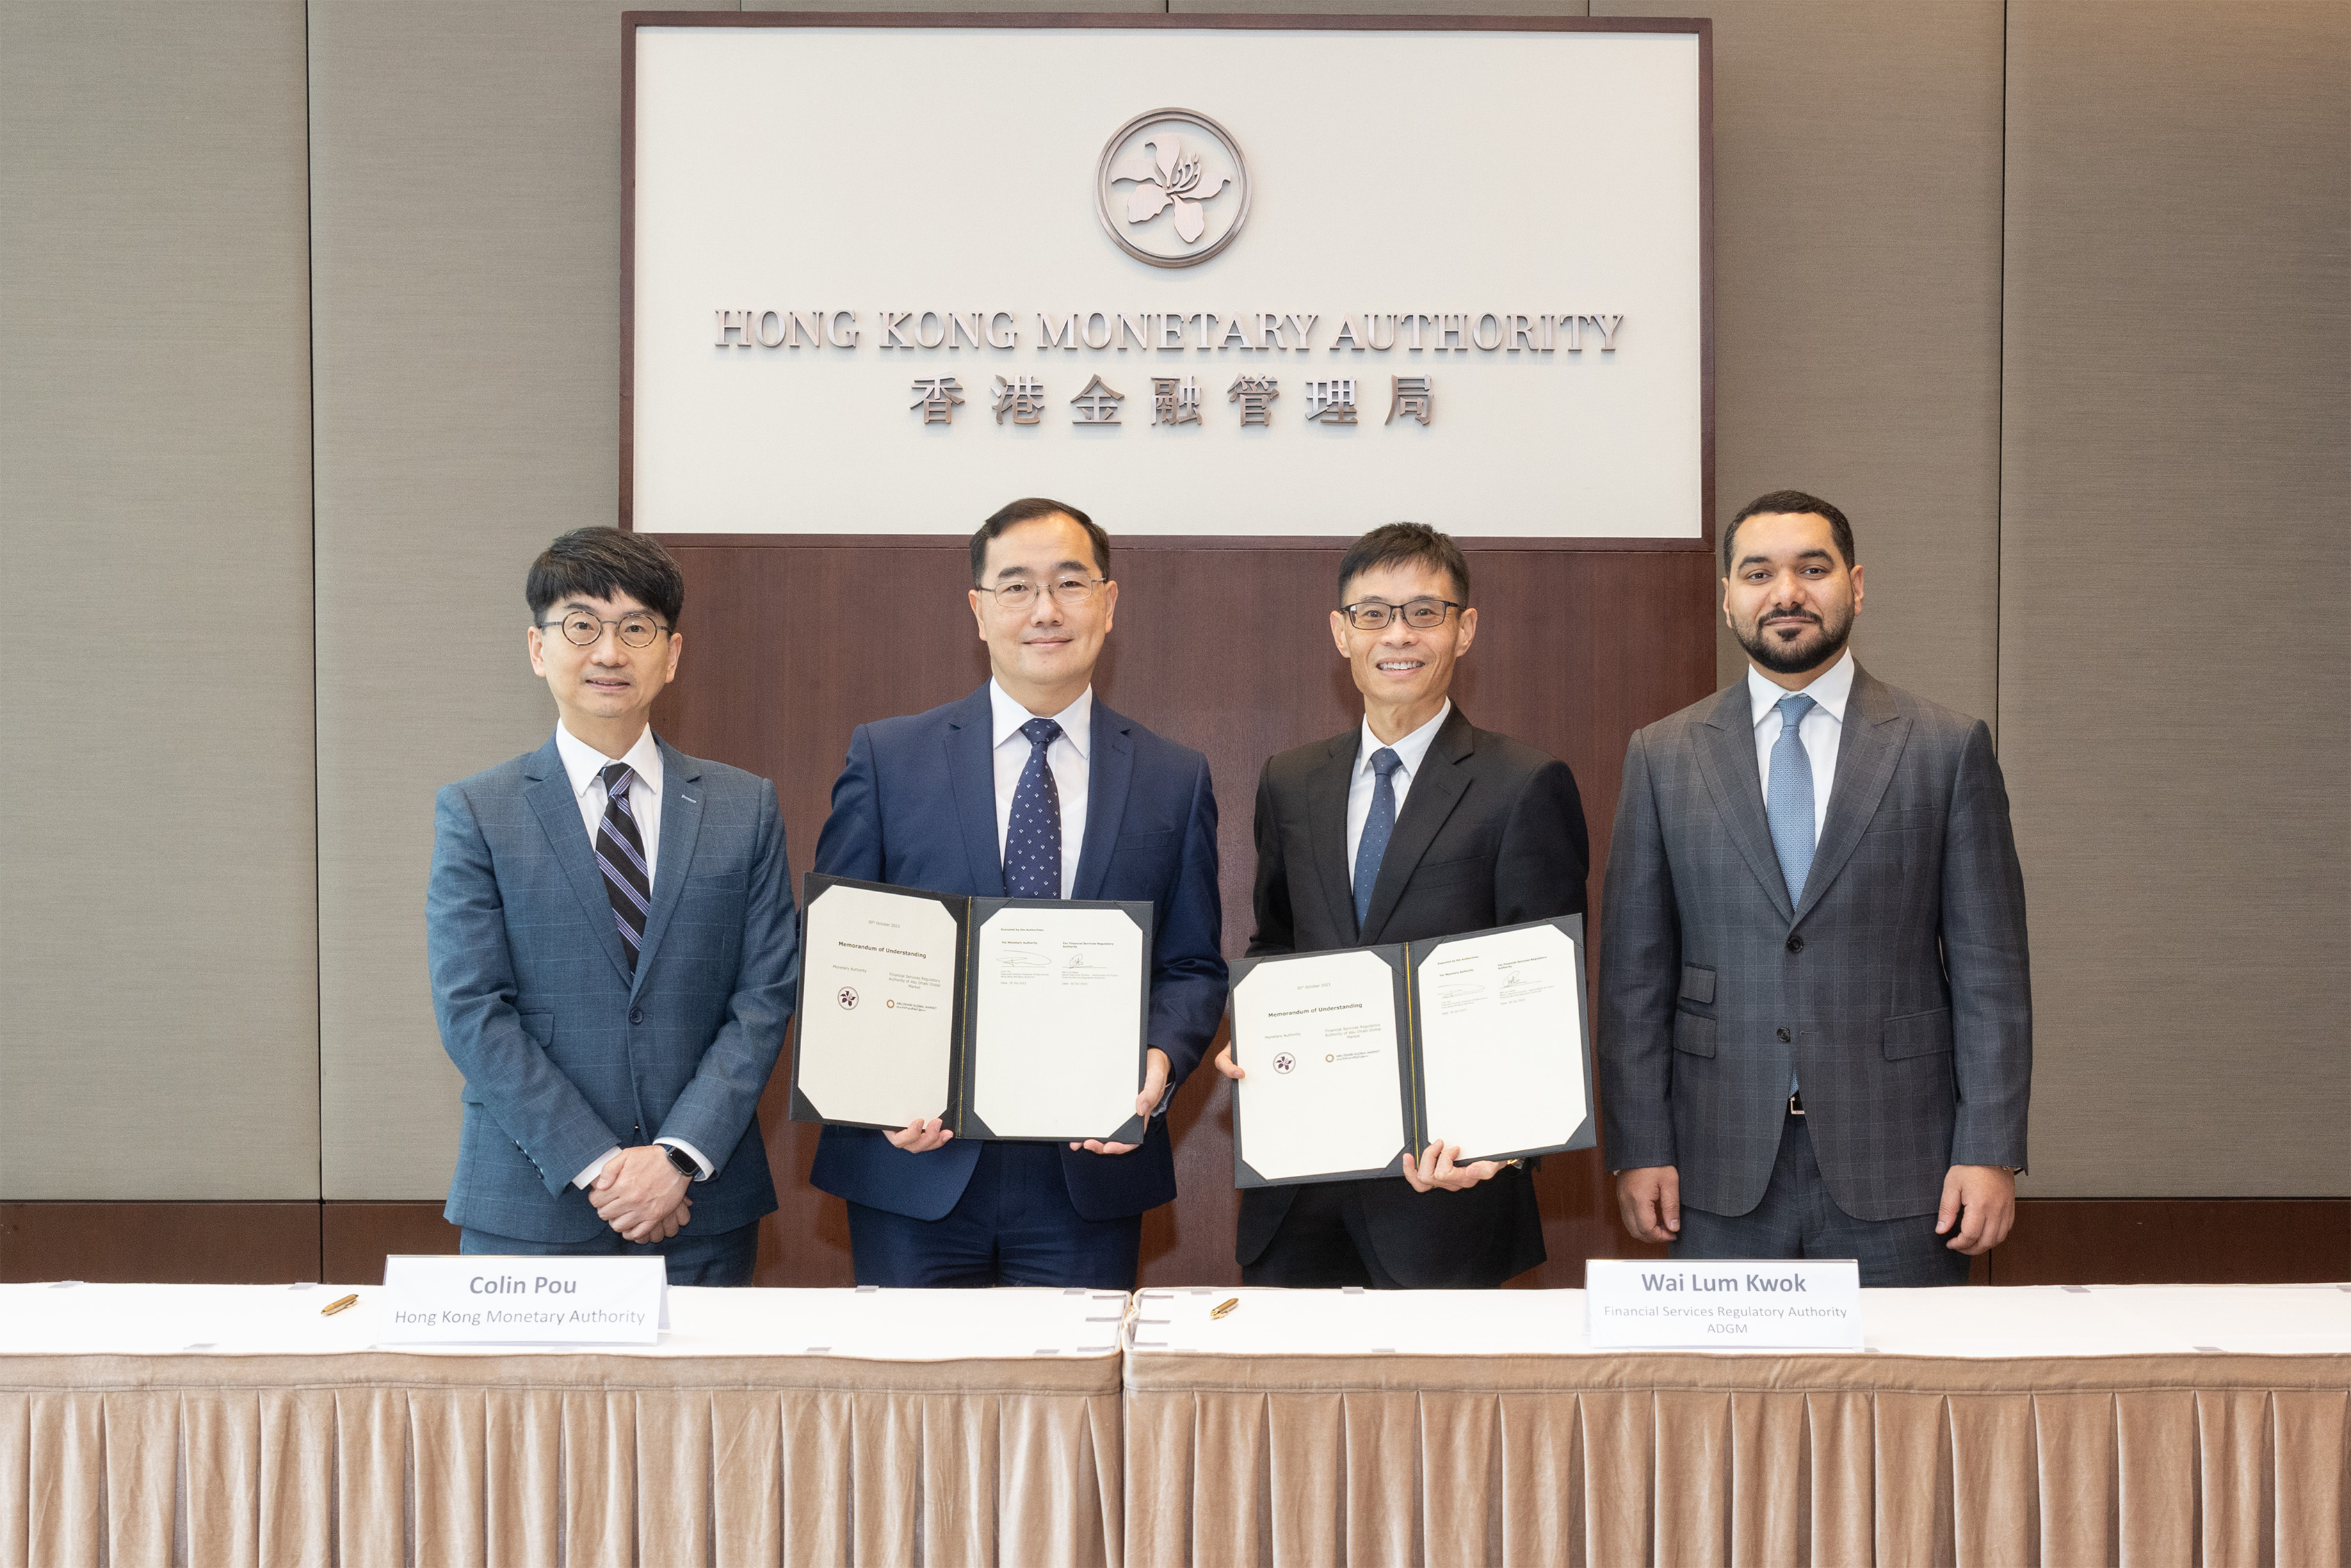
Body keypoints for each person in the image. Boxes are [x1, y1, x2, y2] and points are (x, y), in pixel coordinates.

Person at [1599, 490, 2030, 1286]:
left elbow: (1990, 974)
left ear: (1856, 586)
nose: (1786, 592)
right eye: (1758, 572)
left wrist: (1989, 1149)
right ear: (1726, 596)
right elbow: (1633, 978)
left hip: (1906, 1171)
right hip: (1714, 1166)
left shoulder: (1944, 748)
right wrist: (1640, 1145)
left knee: (1900, 1409)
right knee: (1728, 1413)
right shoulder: (1663, 756)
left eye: (1813, 568)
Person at [808, 497, 1226, 1288]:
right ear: (978, 609)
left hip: (1088, 1176)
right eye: (1016, 587)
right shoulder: (889, 757)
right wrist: (873, 1084)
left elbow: (1192, 964)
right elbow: (838, 954)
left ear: (1109, 603)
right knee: (914, 1411)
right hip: (914, 1166)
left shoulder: (1175, 777)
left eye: (1071, 583)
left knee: (1074, 1414)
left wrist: (1160, 1060)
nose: (1045, 610)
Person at [1215, 522, 1590, 1288]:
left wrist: (1503, 1145)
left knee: (1437, 1413)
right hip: (1299, 1185)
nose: (1399, 634)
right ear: (1341, 631)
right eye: (1374, 613)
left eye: (1425, 611)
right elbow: (1276, 940)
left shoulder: (1523, 783)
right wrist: (1250, 1027)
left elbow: (1545, 994)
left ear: (1465, 629)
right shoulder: (1292, 781)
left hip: (1448, 1191)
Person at [426, 528, 796, 1286]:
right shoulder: (478, 810)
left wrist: (677, 1156)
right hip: (533, 1208)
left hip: (699, 1207)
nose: (609, 651)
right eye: (582, 625)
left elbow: (763, 998)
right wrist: (601, 1166)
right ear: (538, 648)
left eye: (636, 628)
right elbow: (472, 1009)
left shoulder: (743, 806)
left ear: (673, 652)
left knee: (704, 1413)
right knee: (528, 1414)